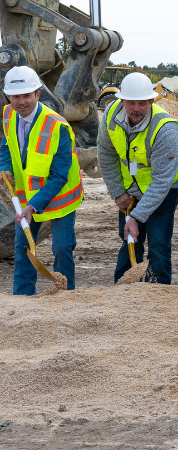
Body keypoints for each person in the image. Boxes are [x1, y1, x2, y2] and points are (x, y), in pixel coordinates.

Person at [97, 73, 178, 284]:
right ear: (121, 101)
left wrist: (136, 217)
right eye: (131, 102)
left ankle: (157, 291)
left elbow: (162, 181)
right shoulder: (111, 115)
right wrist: (118, 192)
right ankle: (124, 287)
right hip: (131, 187)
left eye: (142, 103)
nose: (136, 108)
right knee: (129, 237)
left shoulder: (166, 128)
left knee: (158, 243)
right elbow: (106, 153)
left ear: (151, 101)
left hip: (165, 187)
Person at [0, 66, 82, 294]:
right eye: (16, 96)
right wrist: (4, 167)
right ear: (8, 96)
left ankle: (65, 295)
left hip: (60, 197)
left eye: (27, 95)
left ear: (38, 94)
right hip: (27, 198)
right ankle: (23, 297)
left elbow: (59, 176)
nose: (21, 102)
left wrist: (33, 206)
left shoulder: (58, 126)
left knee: (62, 247)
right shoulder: (8, 114)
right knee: (22, 246)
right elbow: (6, 145)